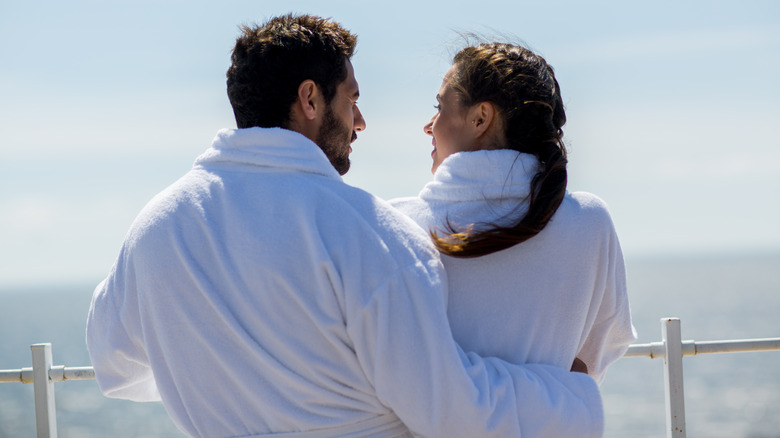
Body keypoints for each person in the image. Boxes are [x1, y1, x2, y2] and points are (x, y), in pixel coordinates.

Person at [86, 16, 605, 438]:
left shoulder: (153, 229)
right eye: (351, 99)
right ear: (310, 100)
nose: (360, 122)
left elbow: (114, 363)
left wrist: (219, 366)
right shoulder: (372, 234)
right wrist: (575, 399)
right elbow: (452, 412)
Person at [390, 42, 637, 385]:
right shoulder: (589, 221)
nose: (429, 125)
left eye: (439, 106)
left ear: (480, 118)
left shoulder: (395, 223)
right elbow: (597, 353)